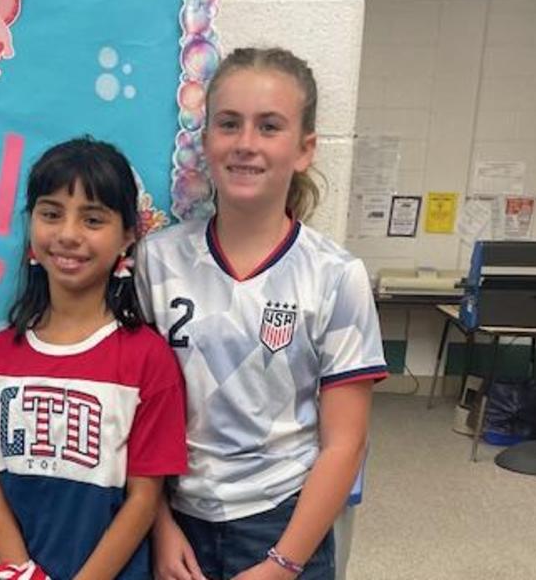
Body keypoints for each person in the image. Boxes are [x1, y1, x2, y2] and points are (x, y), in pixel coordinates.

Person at [136, 47, 388, 580]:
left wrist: (283, 563)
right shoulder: (156, 261)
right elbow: (138, 416)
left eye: (269, 126)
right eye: (229, 124)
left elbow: (346, 442)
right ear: (205, 142)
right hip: (175, 522)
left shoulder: (336, 276)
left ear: (304, 149)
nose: (246, 144)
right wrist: (159, 527)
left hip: (284, 527)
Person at [0, 137, 189, 580]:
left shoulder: (148, 358)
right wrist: (22, 573)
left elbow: (144, 498)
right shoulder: (2, 353)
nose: (68, 234)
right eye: (51, 214)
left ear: (128, 236)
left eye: (92, 219)